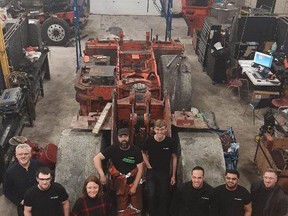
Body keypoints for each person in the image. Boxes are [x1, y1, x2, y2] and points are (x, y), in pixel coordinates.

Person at [93, 128, 144, 215]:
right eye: (121, 136)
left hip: (133, 181)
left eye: (125, 136)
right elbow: (96, 158)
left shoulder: (136, 150)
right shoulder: (113, 149)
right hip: (119, 183)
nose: (123, 139)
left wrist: (135, 186)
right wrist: (102, 175)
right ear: (117, 138)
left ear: (129, 137)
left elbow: (140, 169)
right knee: (121, 208)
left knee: (136, 207)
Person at [141, 119, 177, 216]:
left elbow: (174, 157)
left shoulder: (170, 141)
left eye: (162, 129)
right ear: (154, 129)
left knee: (164, 196)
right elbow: (143, 152)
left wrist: (173, 175)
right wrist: (148, 165)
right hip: (152, 172)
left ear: (165, 129)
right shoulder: (149, 140)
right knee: (151, 195)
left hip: (164, 172)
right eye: (157, 129)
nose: (160, 132)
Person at [3, 143, 42, 216]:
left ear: (30, 154)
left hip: (42, 202)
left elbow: (48, 178)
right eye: (20, 154)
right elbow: (6, 190)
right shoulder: (10, 172)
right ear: (16, 156)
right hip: (25, 207)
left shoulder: (38, 164)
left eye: (26, 154)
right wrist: (20, 201)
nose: (23, 156)